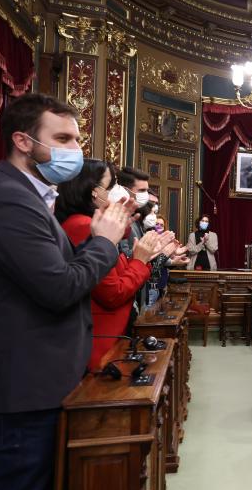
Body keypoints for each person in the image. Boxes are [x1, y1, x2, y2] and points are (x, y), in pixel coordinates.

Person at [0, 93, 130, 490]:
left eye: (76, 140)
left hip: (41, 381)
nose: (75, 150)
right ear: (23, 141)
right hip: (24, 390)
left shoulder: (31, 196)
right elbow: (59, 288)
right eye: (63, 139)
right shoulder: (8, 197)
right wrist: (104, 242)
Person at [55, 158, 172, 369]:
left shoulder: (87, 223)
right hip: (100, 337)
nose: (116, 192)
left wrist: (143, 257)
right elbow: (113, 293)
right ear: (94, 191)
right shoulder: (83, 226)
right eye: (111, 186)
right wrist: (140, 260)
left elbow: (117, 271)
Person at [116, 166, 150, 258]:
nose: (146, 194)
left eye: (147, 190)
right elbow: (123, 255)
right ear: (125, 190)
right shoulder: (118, 217)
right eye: (142, 190)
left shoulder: (136, 216)